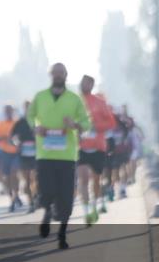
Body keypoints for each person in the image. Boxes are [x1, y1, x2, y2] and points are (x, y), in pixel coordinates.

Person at [27, 62, 91, 250]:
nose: (58, 75)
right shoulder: (40, 96)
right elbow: (30, 116)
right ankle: (47, 212)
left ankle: (62, 233)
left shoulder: (74, 99)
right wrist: (35, 127)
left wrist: (75, 124)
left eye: (61, 73)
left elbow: (86, 123)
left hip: (67, 155)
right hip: (45, 153)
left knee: (65, 197)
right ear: (50, 75)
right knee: (46, 191)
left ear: (66, 75)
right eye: (55, 73)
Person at [77, 77, 116, 226]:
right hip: (81, 147)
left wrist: (95, 126)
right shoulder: (75, 101)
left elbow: (111, 123)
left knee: (96, 181)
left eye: (86, 83)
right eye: (82, 83)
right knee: (83, 179)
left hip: (98, 146)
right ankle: (86, 212)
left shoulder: (99, 102)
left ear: (92, 85)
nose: (83, 85)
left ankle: (94, 206)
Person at [0, 105, 22, 213]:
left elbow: (23, 136)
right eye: (7, 111)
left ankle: (16, 194)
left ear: (13, 111)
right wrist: (4, 138)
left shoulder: (17, 123)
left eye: (10, 110)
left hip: (17, 153)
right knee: (7, 177)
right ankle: (12, 198)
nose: (9, 112)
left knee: (14, 174)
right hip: (4, 153)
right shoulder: (1, 124)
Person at [11, 100, 37, 212]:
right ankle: (31, 202)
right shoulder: (19, 122)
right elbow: (13, 137)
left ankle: (36, 196)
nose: (28, 109)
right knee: (26, 179)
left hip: (37, 154)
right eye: (26, 107)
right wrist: (17, 143)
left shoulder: (38, 121)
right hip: (24, 154)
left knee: (36, 178)